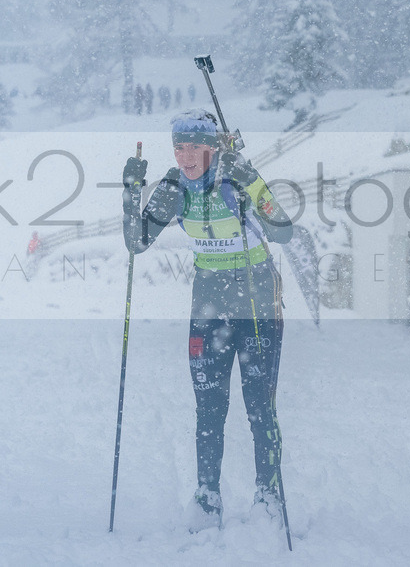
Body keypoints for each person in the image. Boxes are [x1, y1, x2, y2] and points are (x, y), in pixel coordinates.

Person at [122, 109, 294, 531]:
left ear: (212, 147)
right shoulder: (174, 185)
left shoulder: (236, 176)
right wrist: (131, 191)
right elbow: (137, 241)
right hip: (209, 299)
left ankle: (268, 497)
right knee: (209, 408)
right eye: (178, 147)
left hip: (255, 295)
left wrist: (251, 178)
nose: (185, 157)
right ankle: (207, 497)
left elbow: (283, 231)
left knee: (259, 407)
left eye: (194, 147)